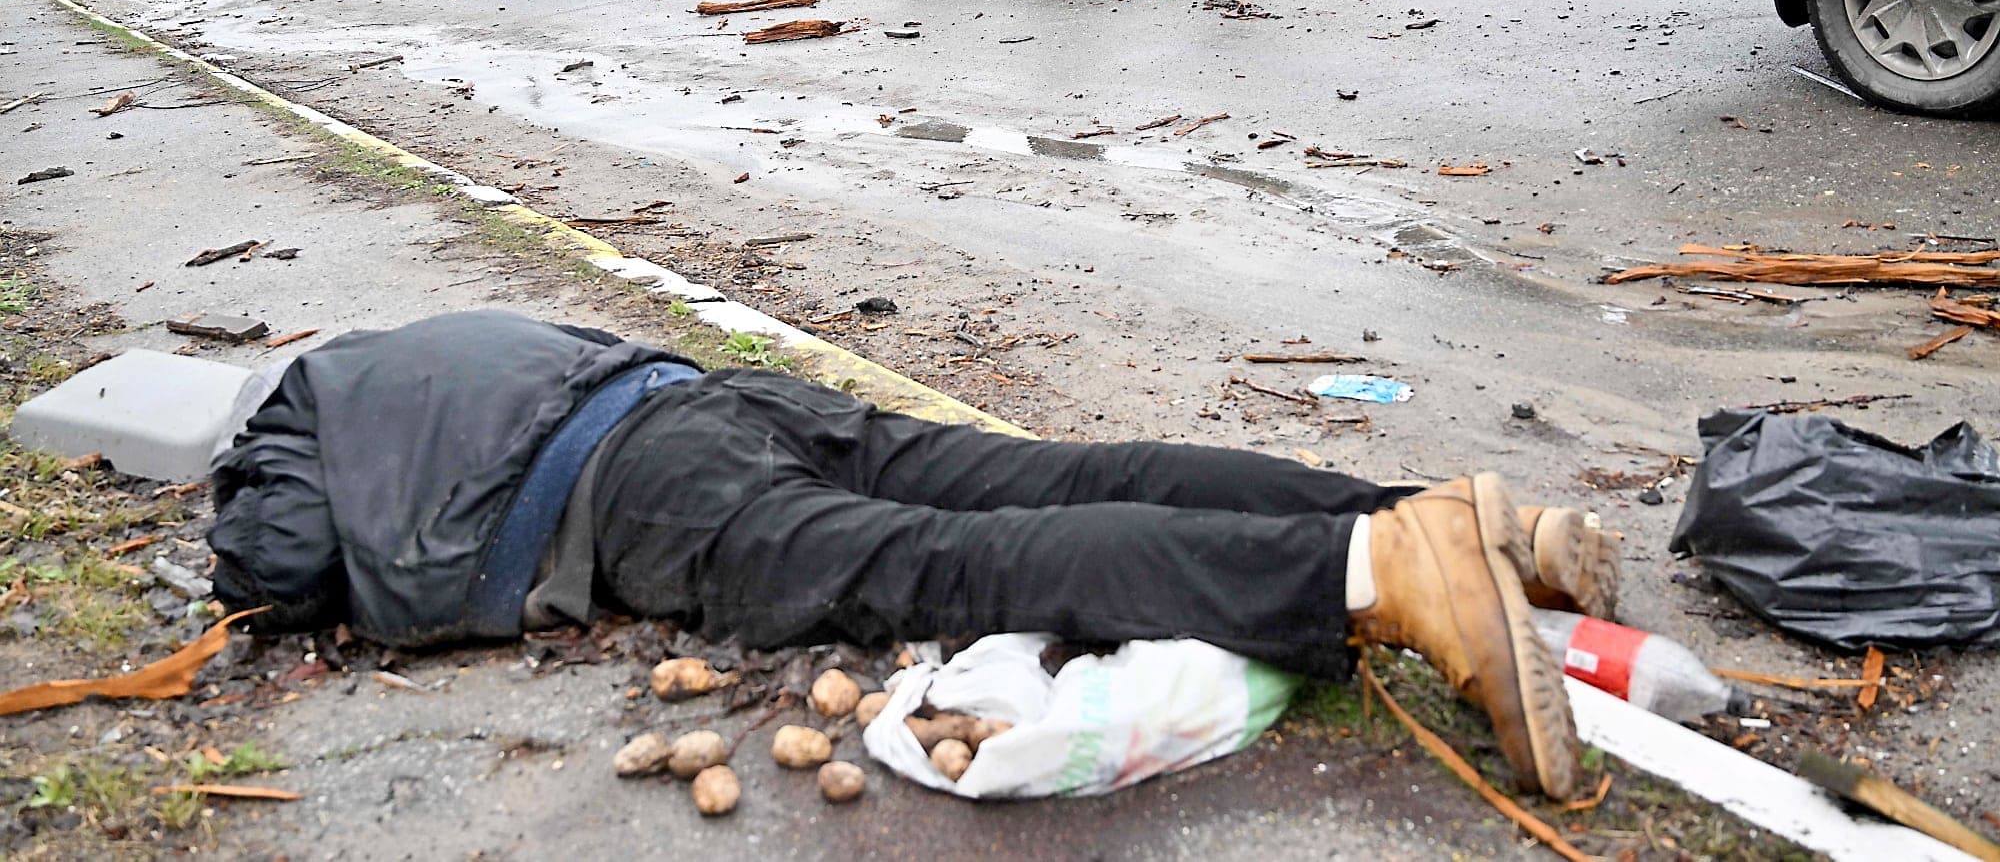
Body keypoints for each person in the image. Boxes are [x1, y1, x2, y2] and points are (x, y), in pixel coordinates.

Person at [209, 310, 1611, 800]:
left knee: (961, 564)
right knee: (1069, 473)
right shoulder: (411, 347)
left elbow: (272, 559)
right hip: (728, 397)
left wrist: (249, 522)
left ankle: (1384, 571)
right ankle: (1472, 517)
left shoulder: (295, 413)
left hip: (640, 493)